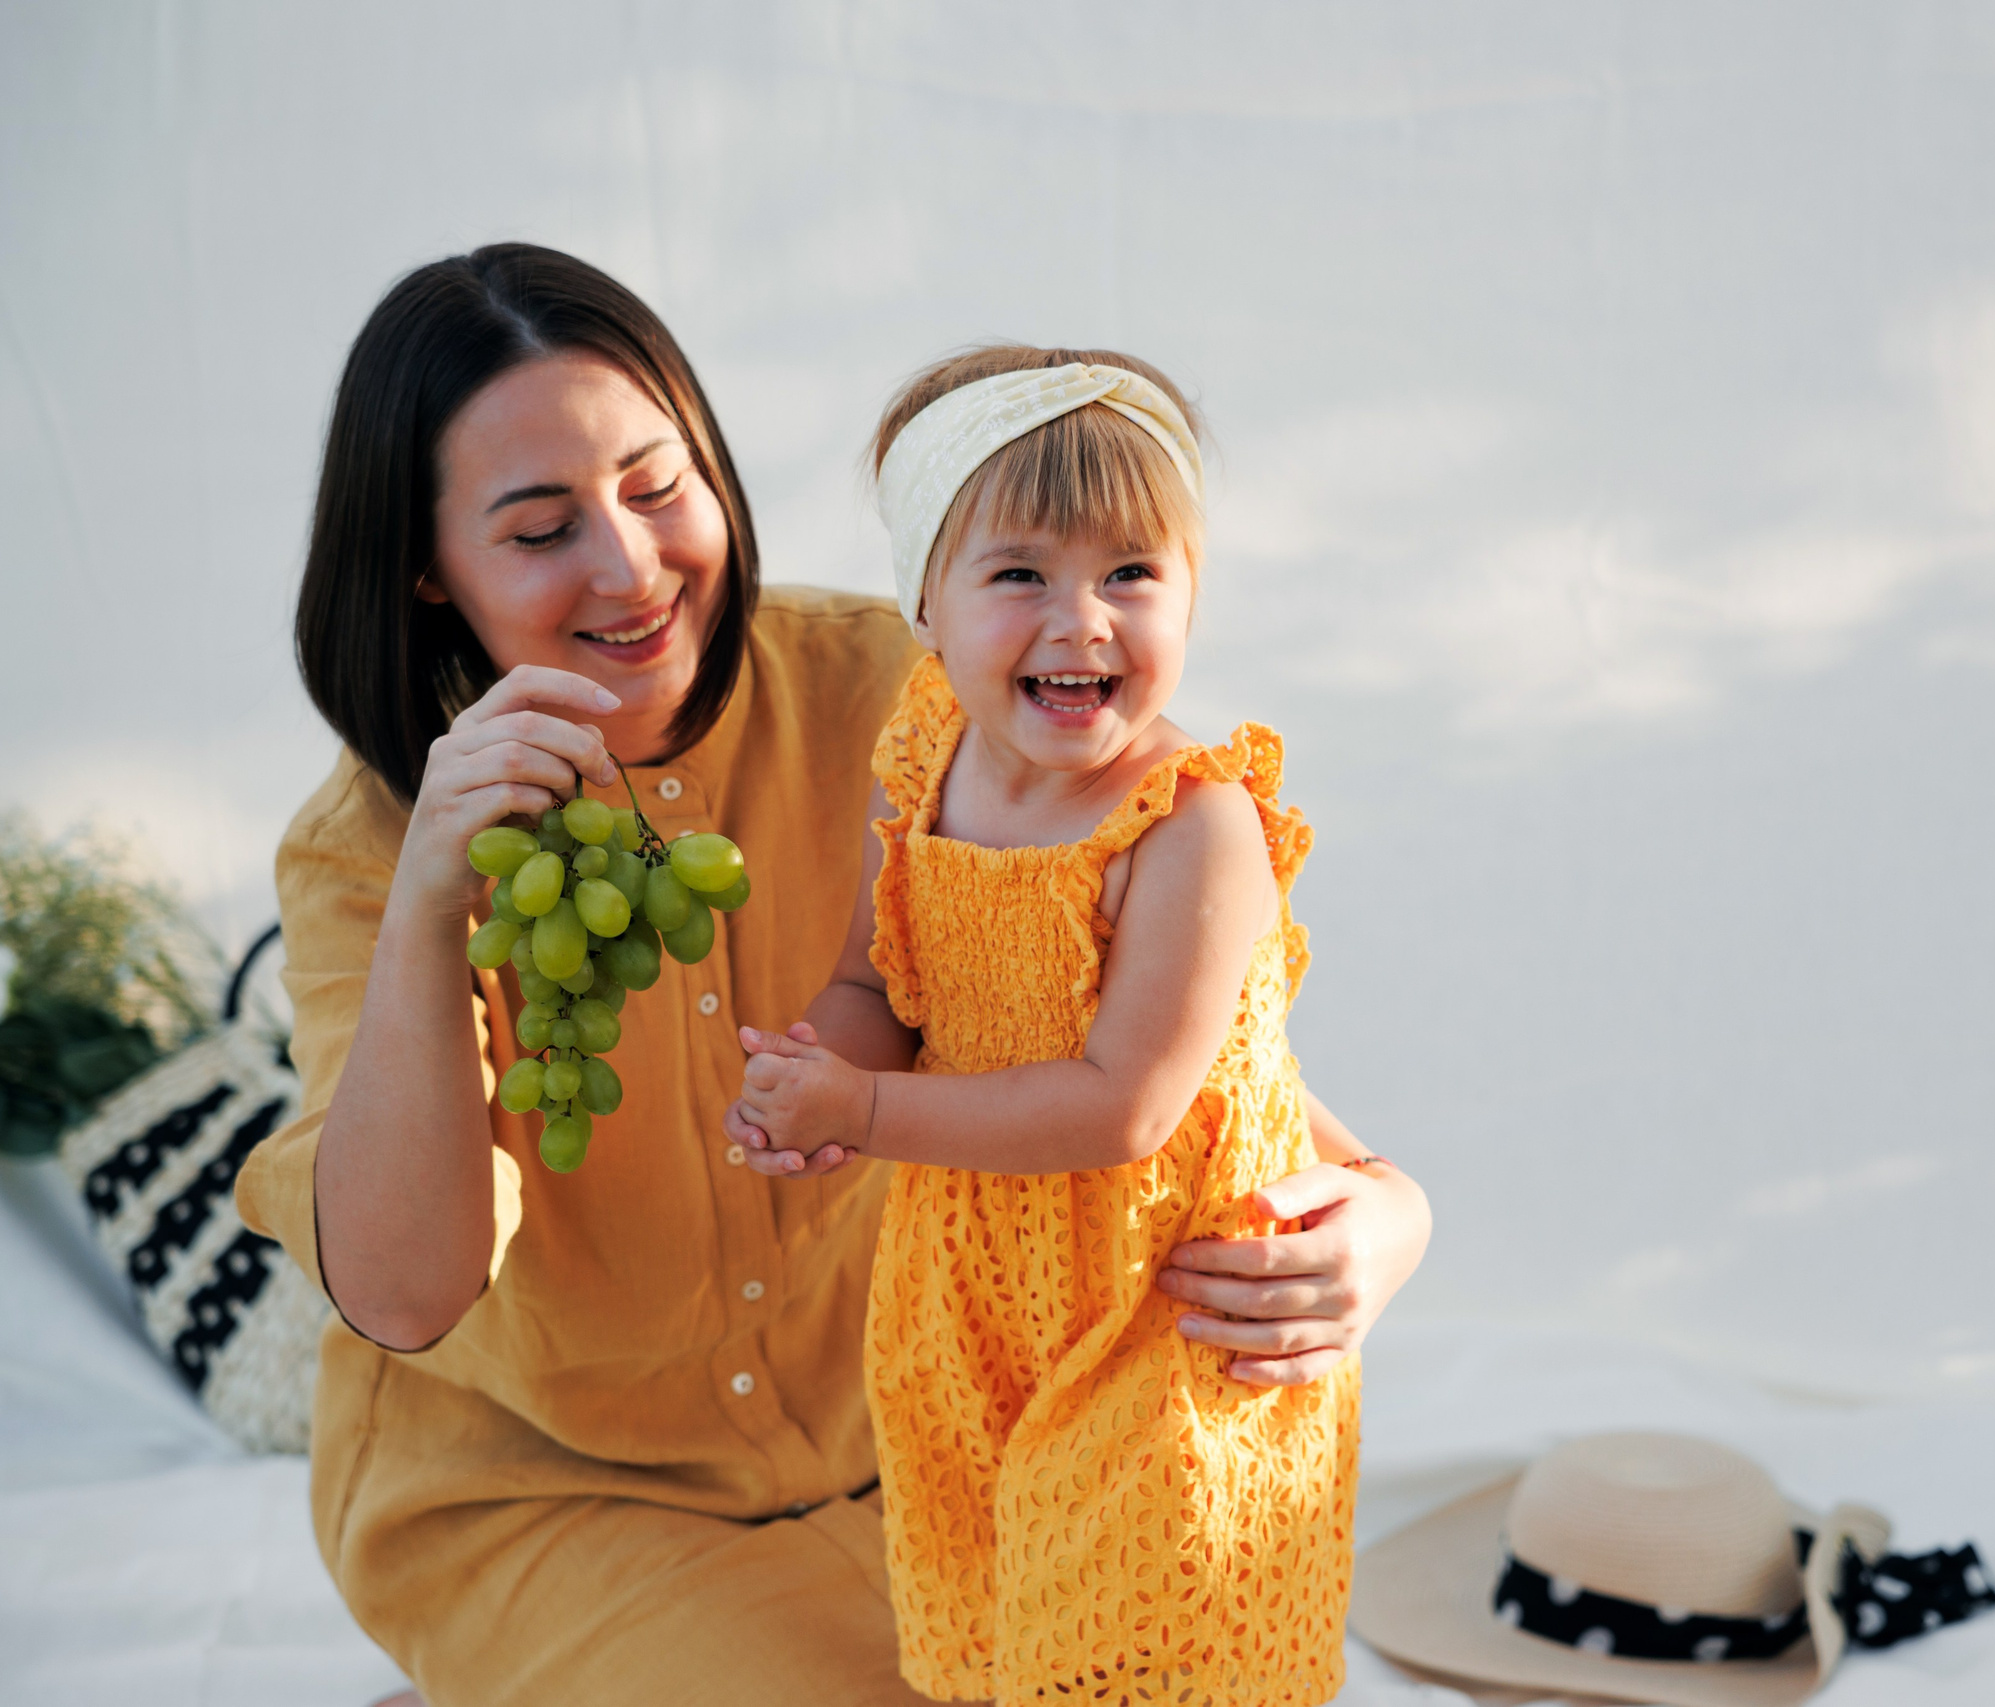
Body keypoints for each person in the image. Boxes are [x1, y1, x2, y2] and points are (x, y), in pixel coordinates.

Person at [232, 243, 1432, 1707]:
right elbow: (407, 1288)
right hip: (558, 1498)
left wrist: (1384, 1202)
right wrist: (434, 903)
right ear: (426, 566)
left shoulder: (905, 691)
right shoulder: (364, 852)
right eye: (541, 530)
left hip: (930, 1442)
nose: (631, 568)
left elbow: (1121, 1021)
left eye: (659, 488)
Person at [729, 348, 1363, 1705]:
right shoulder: (923, 763)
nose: (1081, 621)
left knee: (1147, 1646)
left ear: (1192, 592)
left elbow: (1122, 1105)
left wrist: (871, 1115)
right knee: (1000, 1636)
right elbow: (879, 984)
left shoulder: (1192, 825)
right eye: (1020, 574)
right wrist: (821, 1067)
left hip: (1168, 1315)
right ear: (928, 605)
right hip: (968, 1304)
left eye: (1132, 573)